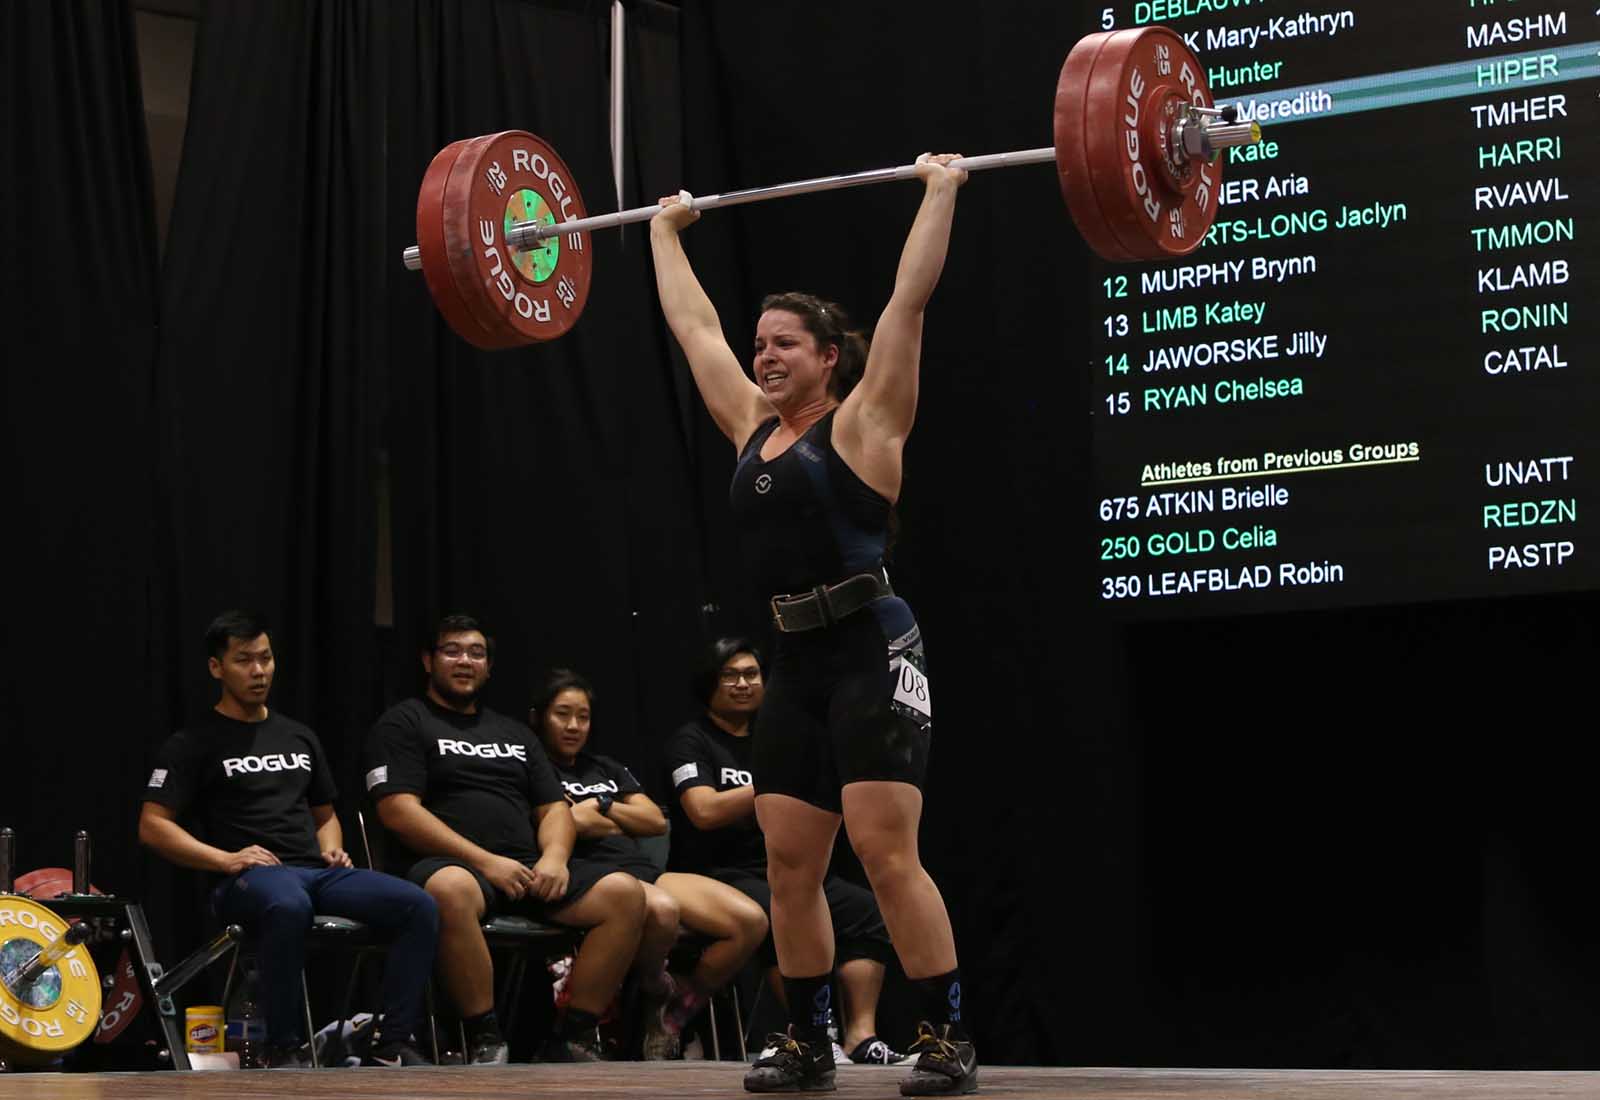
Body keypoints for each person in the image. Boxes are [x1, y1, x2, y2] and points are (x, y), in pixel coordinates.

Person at [649, 155, 976, 1095]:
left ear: (830, 355)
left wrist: (940, 192)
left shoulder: (868, 422)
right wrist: (664, 235)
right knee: (790, 862)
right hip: (791, 658)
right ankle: (804, 1038)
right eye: (762, 344)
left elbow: (909, 304)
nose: (764, 355)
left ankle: (946, 1034)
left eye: (785, 344)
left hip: (871, 643)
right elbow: (693, 326)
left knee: (883, 851)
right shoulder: (751, 425)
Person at [139, 610, 438, 1069]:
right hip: (249, 881)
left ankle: (391, 1042)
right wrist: (224, 859)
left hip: (316, 873)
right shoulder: (192, 742)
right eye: (244, 661)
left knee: (418, 905)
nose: (259, 671)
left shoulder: (298, 735)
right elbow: (153, 825)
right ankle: (284, 1047)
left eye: (265, 658)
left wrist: (332, 846)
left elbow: (326, 816)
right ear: (217, 667)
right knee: (288, 905)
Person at [364, 614, 646, 1063]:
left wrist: (554, 858)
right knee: (450, 888)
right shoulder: (404, 722)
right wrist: (486, 862)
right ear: (427, 660)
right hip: (452, 867)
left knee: (625, 894)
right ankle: (486, 1036)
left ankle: (570, 1036)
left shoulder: (514, 733)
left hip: (528, 870)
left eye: (476, 653)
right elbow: (398, 810)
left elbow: (554, 808)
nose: (464, 661)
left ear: (489, 667)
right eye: (452, 650)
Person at [666, 638, 910, 1067]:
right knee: (781, 909)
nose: (743, 684)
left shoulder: (775, 734)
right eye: (730, 675)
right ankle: (817, 1031)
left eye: (751, 674)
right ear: (710, 682)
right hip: (723, 872)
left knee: (867, 911)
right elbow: (703, 810)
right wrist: (776, 786)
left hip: (789, 863)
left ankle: (862, 1036)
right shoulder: (692, 740)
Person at [529, 667, 768, 1059]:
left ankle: (674, 1015)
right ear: (538, 717)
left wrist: (604, 805)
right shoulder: (535, 771)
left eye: (583, 716)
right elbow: (568, 822)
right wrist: (611, 819)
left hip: (647, 872)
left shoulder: (605, 768)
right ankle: (655, 988)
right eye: (562, 714)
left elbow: (654, 822)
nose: (574, 726)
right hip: (590, 878)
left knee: (750, 921)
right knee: (662, 909)